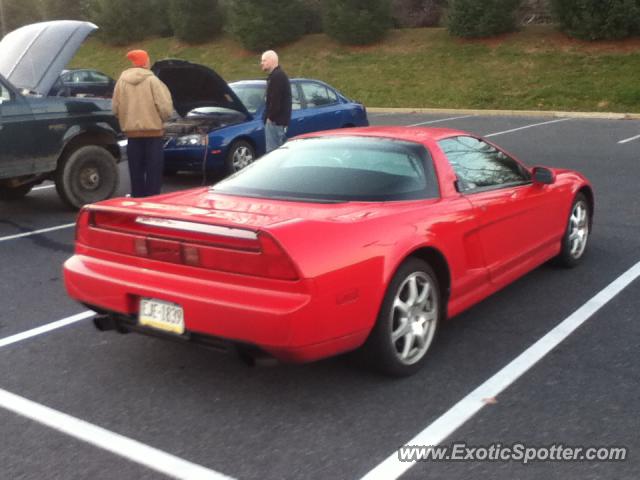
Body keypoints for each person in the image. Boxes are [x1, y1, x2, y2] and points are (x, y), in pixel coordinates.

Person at [112, 49, 174, 197]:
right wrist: (163, 119)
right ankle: (152, 199)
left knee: (135, 169)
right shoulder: (153, 81)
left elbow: (115, 107)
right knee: (154, 170)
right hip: (153, 133)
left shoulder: (121, 82)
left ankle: (137, 196)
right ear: (145, 62)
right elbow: (164, 107)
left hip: (132, 134)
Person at [260, 50, 291, 153]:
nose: (261, 63)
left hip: (275, 123)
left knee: (273, 154)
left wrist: (270, 118)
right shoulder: (276, 76)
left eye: (264, 60)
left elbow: (275, 101)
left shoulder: (277, 77)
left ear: (271, 61)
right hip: (277, 122)